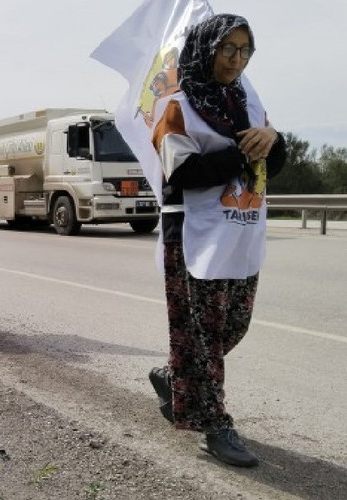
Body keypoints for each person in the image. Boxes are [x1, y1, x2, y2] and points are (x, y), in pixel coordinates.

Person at [147, 14, 287, 468]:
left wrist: (273, 137)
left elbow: (274, 158)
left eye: (245, 50)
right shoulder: (177, 106)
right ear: (208, 48)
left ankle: (175, 375)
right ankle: (214, 425)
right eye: (228, 49)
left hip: (240, 229)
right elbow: (183, 172)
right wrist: (241, 151)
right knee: (204, 338)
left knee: (233, 326)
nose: (236, 59)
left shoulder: (247, 99)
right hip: (194, 234)